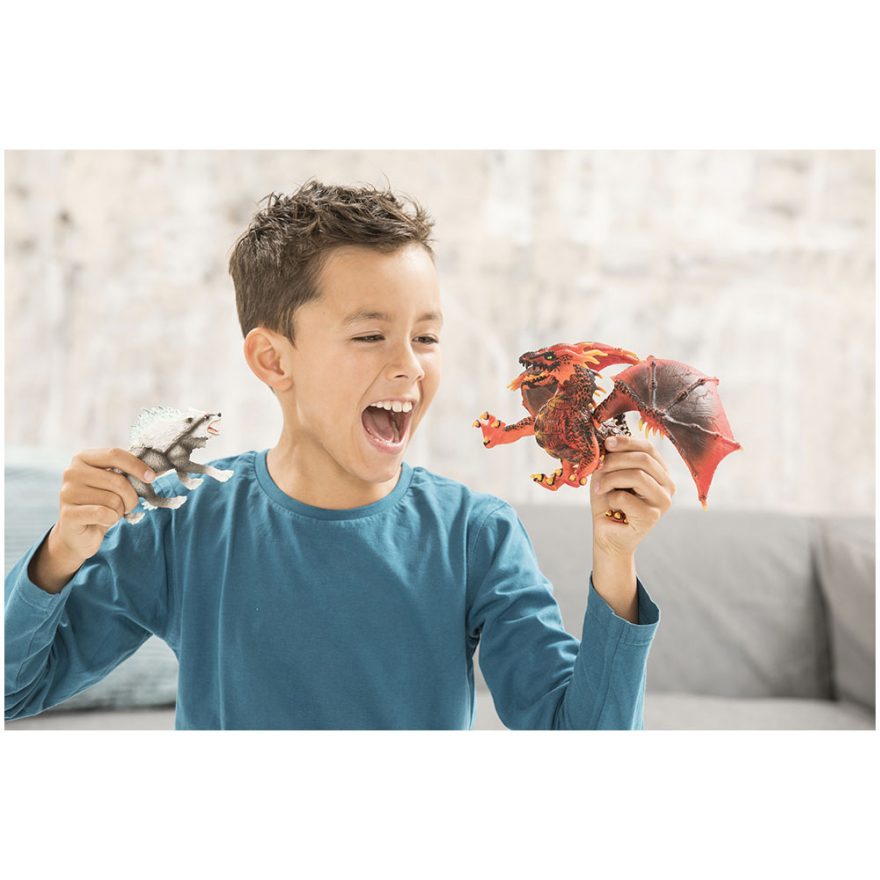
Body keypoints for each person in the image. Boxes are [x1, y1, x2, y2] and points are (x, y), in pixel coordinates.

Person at [5, 179, 674, 729]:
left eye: (426, 337)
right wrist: (60, 553)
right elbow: (16, 690)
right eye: (370, 336)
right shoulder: (183, 522)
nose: (409, 366)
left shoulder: (476, 535)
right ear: (274, 360)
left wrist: (615, 561)